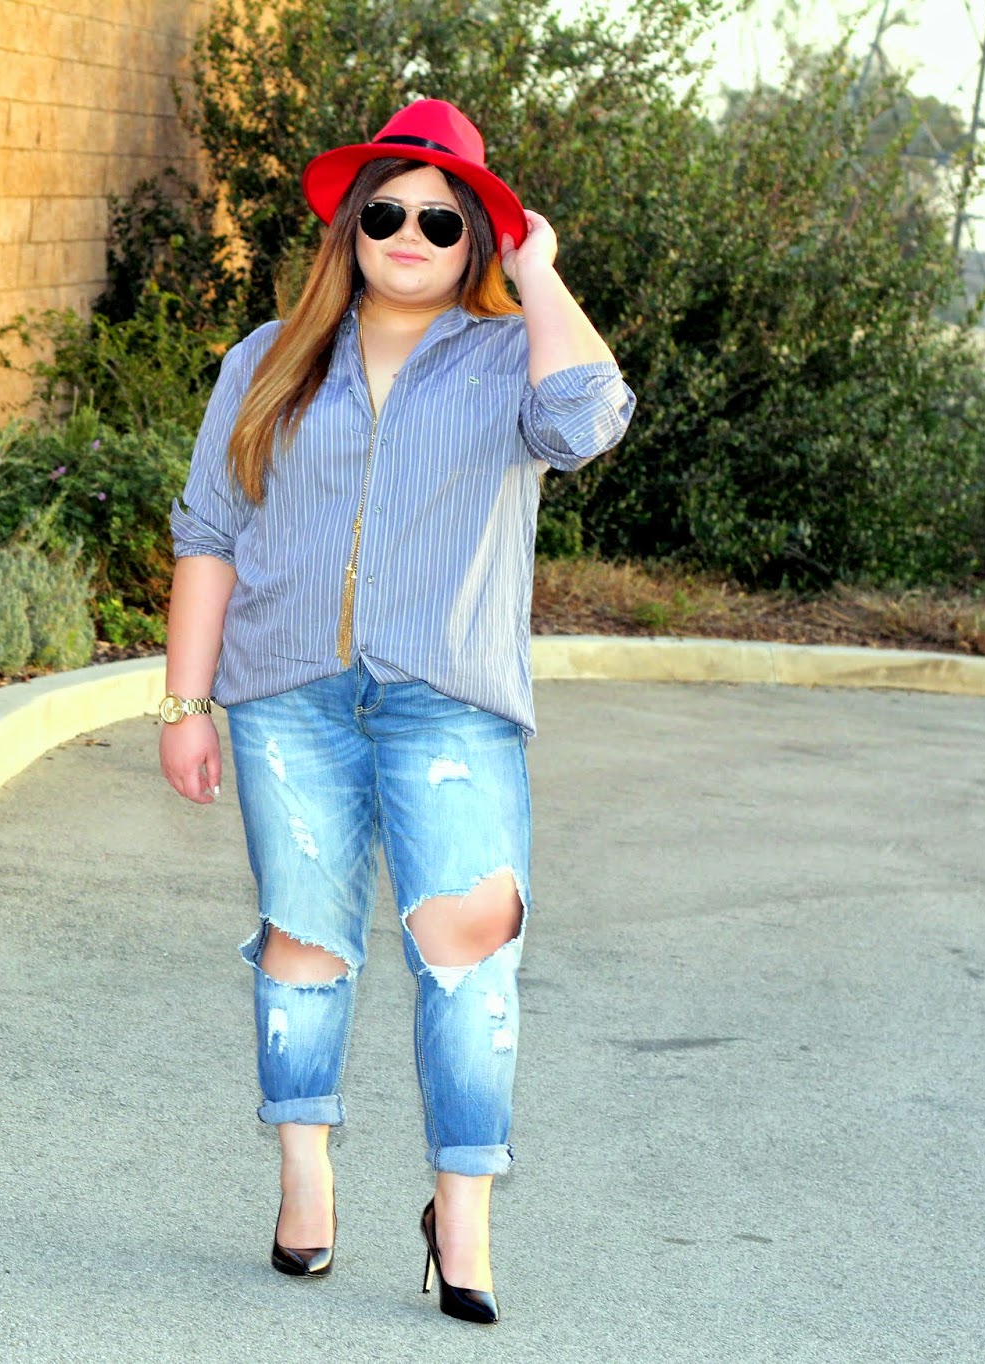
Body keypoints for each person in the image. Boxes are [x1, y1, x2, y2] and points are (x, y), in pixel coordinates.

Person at [158, 99, 635, 1324]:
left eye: (440, 217)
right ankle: (303, 1174)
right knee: (304, 944)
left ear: (476, 234)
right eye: (385, 212)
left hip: (449, 702)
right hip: (288, 696)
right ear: (349, 228)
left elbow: (589, 419)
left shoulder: (510, 356)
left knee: (471, 950)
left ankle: (460, 1210)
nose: (408, 234)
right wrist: (185, 700)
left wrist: (537, 269)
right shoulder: (268, 358)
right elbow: (210, 531)